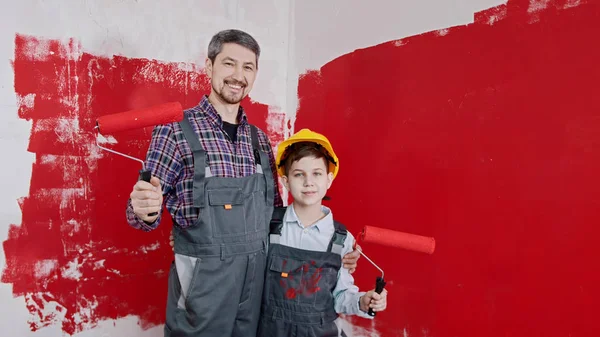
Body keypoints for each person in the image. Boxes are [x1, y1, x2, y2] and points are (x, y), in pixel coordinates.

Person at [125, 29, 360, 337]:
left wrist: (330, 254)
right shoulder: (175, 131)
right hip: (203, 292)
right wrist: (145, 209)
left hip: (257, 287)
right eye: (229, 64)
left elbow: (277, 220)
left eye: (247, 67)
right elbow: (140, 216)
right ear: (209, 67)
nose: (238, 75)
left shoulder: (260, 141)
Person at [257, 129, 388, 337]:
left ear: (328, 179)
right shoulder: (269, 225)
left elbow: (341, 295)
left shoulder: (341, 239)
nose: (308, 182)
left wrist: (363, 301)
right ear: (285, 181)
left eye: (316, 173)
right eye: (299, 174)